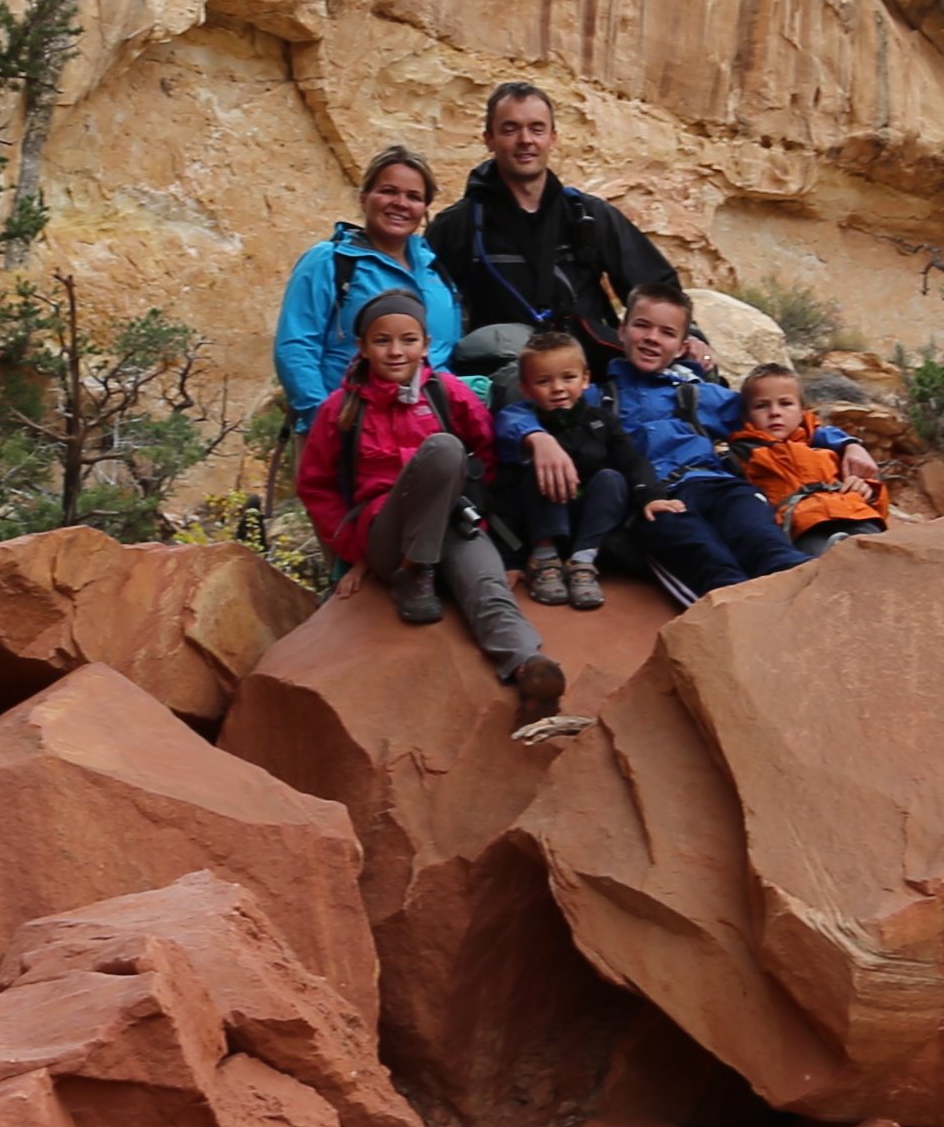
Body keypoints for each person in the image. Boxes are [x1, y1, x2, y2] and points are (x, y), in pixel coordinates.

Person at [295, 292, 570, 728]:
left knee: (486, 583)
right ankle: (415, 571)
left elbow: (488, 457)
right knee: (443, 449)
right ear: (364, 348)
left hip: (451, 521)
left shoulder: (448, 394)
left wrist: (490, 533)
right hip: (386, 533)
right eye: (382, 341)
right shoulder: (341, 409)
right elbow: (316, 485)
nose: (395, 351)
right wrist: (353, 550)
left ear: (425, 344)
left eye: (407, 340)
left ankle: (530, 670)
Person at [424, 82, 681, 369]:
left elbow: (657, 287)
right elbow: (427, 305)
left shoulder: (589, 215)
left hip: (590, 377)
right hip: (503, 383)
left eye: (537, 129)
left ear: (553, 138)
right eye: (510, 130)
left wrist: (690, 335)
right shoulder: (459, 225)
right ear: (489, 139)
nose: (526, 140)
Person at [597, 289, 799, 597]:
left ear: (680, 348)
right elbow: (529, 413)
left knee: (763, 541)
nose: (652, 338)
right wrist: (537, 436)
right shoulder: (598, 399)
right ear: (622, 331)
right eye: (642, 326)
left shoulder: (696, 393)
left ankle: (808, 599)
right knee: (707, 559)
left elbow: (774, 413)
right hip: (656, 498)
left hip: (718, 485)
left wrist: (847, 442)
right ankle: (738, 620)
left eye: (667, 333)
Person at [270, 146, 461, 420]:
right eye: (388, 191)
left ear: (425, 208)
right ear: (364, 198)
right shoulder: (329, 261)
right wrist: (325, 423)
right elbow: (296, 349)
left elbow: (445, 354)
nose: (401, 203)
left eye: (414, 196)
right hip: (348, 428)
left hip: (429, 427)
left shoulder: (434, 267)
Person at [487, 330, 646, 608]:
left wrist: (652, 494)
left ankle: (583, 562)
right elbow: (504, 494)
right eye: (544, 381)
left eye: (568, 378)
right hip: (540, 522)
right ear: (526, 389)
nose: (558, 388)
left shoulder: (603, 421)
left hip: (588, 525)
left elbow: (632, 459)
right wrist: (510, 559)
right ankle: (544, 558)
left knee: (612, 478)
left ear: (586, 379)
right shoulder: (523, 422)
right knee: (541, 469)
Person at [728, 364, 891, 551]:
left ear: (802, 412)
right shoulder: (744, 455)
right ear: (746, 417)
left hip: (857, 514)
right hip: (803, 526)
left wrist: (868, 490)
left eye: (785, 403)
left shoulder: (827, 445)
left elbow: (876, 493)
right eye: (761, 406)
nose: (775, 412)